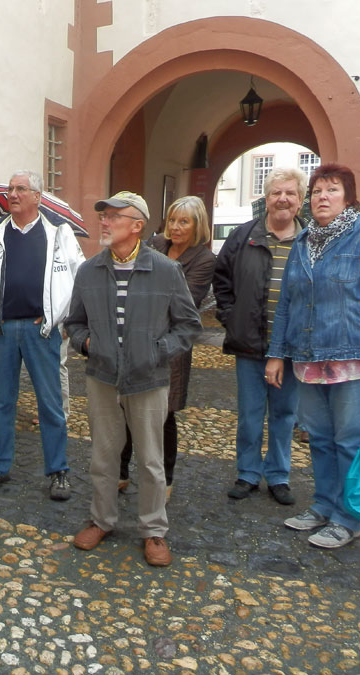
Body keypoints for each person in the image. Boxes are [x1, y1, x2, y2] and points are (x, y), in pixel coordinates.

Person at [266, 163, 360, 549]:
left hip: (356, 359)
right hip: (308, 358)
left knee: (351, 440)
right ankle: (324, 504)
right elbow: (287, 303)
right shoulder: (303, 241)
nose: (322, 197)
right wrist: (276, 355)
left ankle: (348, 517)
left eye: (332, 190)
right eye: (316, 191)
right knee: (320, 438)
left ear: (349, 197)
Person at [66, 190, 200, 566]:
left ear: (137, 225)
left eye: (113, 216)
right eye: (103, 216)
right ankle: (101, 519)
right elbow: (74, 322)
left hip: (148, 379)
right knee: (103, 456)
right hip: (102, 376)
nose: (104, 222)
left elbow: (189, 325)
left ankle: (154, 530)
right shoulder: (89, 271)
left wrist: (156, 351)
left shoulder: (165, 270)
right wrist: (88, 344)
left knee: (151, 460)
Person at [0, 170, 84, 500]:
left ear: (37, 196)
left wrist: (64, 319)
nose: (13, 194)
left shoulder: (58, 233)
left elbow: (79, 277)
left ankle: (58, 470)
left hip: (41, 330)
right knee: (2, 402)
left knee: (50, 403)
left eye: (21, 189)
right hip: (3, 329)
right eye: (11, 189)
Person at [213, 167, 307, 505]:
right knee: (250, 415)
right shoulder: (243, 236)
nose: (283, 199)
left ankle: (279, 475)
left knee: (284, 415)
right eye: (276, 193)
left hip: (292, 348)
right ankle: (248, 473)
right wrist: (231, 317)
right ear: (266, 199)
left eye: (290, 193)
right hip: (250, 344)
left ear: (300, 200)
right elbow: (221, 279)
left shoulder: (309, 241)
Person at [118, 196, 215, 502]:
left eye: (184, 221)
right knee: (126, 406)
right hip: (136, 337)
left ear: (198, 225)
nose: (175, 227)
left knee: (164, 414)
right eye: (172, 220)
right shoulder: (156, 243)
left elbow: (185, 300)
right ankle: (120, 472)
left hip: (171, 345)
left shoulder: (204, 259)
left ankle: (165, 477)